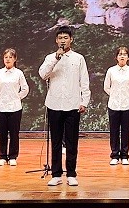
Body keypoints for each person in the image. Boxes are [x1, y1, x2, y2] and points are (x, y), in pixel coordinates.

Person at [39, 26, 90, 187]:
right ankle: (56, 174)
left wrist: (84, 101)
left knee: (71, 141)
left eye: (65, 37)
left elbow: (84, 81)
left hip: (73, 104)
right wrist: (56, 58)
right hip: (54, 103)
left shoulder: (78, 58)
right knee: (55, 141)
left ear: (71, 39)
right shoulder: (50, 57)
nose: (63, 40)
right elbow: (43, 74)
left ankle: (71, 174)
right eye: (60, 38)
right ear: (56, 40)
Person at [0, 48, 29, 167]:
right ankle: (2, 156)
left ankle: (13, 156)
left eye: (10, 57)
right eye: (6, 57)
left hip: (15, 107)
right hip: (1, 107)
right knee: (2, 133)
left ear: (15, 59)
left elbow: (25, 89)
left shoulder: (19, 73)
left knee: (14, 133)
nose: (8, 59)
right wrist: (0, 97)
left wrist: (17, 97)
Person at [103, 46, 129, 166]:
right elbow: (106, 87)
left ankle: (124, 156)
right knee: (114, 131)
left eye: (124, 54)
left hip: (127, 105)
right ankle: (114, 155)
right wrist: (114, 95)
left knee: (125, 131)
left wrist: (126, 95)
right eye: (120, 54)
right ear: (116, 57)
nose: (122, 56)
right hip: (113, 104)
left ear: (128, 57)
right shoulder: (111, 71)